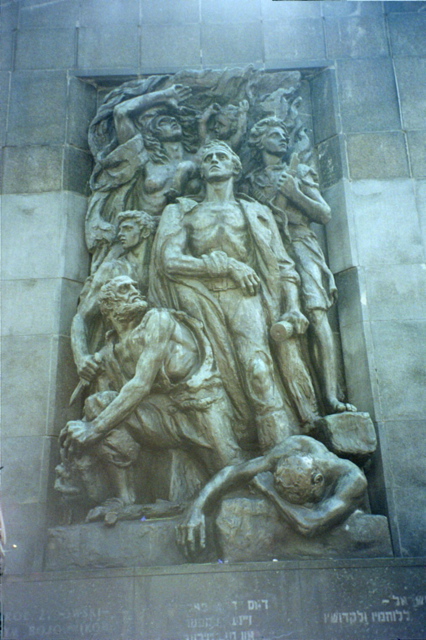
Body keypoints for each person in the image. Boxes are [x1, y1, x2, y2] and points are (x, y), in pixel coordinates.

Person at [149, 140, 319, 451]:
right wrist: (225, 266)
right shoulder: (182, 211)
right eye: (209, 157)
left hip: (247, 299)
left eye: (221, 157)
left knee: (259, 371)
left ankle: (282, 454)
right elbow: (168, 260)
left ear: (235, 167)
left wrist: (292, 309)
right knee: (214, 382)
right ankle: (230, 457)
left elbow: (283, 266)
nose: (214, 161)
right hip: (197, 304)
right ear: (202, 169)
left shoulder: (256, 212)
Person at [60, 276, 245, 521]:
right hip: (161, 413)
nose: (134, 291)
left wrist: (93, 429)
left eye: (135, 286)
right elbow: (111, 390)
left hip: (200, 407)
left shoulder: (158, 320)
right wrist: (84, 362)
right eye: (124, 288)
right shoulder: (112, 348)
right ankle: (124, 499)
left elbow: (140, 384)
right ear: (108, 307)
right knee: (97, 403)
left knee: (234, 473)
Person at [246, 117, 356, 414]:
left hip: (301, 242)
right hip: (267, 248)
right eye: (274, 134)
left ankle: (330, 397)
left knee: (317, 315)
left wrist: (295, 192)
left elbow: (324, 213)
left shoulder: (301, 172)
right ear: (260, 141)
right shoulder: (250, 181)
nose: (282, 138)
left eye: (285, 134)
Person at [176, 435, 367, 557]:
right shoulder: (297, 446)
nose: (301, 504)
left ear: (318, 479)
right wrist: (198, 507)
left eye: (298, 499)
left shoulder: (353, 481)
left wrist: (269, 491)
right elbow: (234, 473)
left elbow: (310, 524)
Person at [86, 84, 199, 271]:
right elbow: (121, 112)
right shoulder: (143, 158)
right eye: (162, 122)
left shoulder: (198, 159)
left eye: (174, 121)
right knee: (106, 275)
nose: (171, 123)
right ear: (152, 133)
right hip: (139, 238)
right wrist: (164, 94)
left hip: (182, 239)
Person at [71, 211, 157, 385]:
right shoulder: (113, 268)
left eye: (127, 228)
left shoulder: (161, 267)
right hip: (118, 359)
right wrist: (81, 357)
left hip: (158, 353)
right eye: (120, 229)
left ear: (145, 232)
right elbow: (81, 316)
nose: (120, 234)